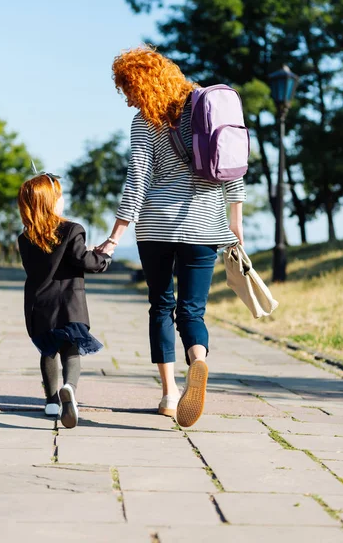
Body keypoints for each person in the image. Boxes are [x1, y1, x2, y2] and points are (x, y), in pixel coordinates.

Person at [96, 46, 246, 428]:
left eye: (127, 87)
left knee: (161, 305)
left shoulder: (144, 120)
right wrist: (235, 221)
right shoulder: (206, 106)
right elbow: (233, 167)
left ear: (141, 83)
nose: (127, 97)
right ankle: (199, 359)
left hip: (155, 227)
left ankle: (168, 393)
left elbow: (138, 180)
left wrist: (115, 236)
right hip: (204, 223)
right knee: (191, 310)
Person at [17, 172, 112, 428]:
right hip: (69, 304)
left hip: (39, 304)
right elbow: (84, 260)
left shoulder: (25, 238)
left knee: (48, 351)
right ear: (51, 202)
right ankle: (69, 387)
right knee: (70, 351)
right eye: (59, 195)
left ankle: (50, 401)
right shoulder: (72, 229)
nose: (62, 199)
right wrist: (104, 257)